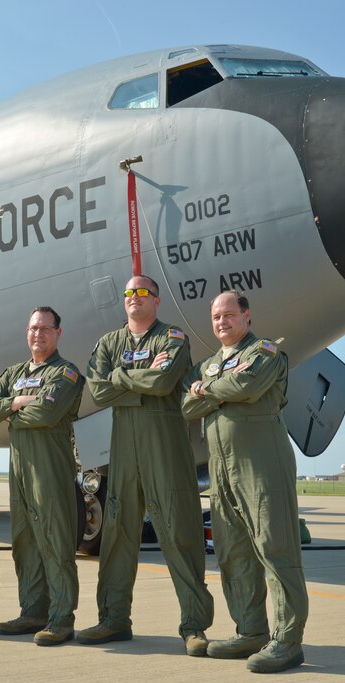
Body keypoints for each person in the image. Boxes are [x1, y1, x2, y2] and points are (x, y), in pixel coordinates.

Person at [80, 275, 214, 656]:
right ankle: (113, 619)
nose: (134, 298)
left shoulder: (172, 339)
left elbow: (162, 381)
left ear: (156, 301)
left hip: (164, 444)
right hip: (122, 448)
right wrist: (136, 377)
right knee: (117, 532)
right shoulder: (109, 342)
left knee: (179, 530)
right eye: (129, 293)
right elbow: (99, 389)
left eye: (142, 293)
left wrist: (119, 377)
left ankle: (193, 625)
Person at [182, 291, 308, 673]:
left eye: (229, 315)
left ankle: (287, 641)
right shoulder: (209, 364)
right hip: (221, 467)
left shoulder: (265, 353)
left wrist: (208, 391)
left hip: (261, 461)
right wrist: (213, 391)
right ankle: (250, 630)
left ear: (247, 317)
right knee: (232, 550)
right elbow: (188, 406)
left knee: (275, 546)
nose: (222, 322)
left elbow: (247, 387)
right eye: (216, 317)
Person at [0, 307, 85, 646]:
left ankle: (61, 617)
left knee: (54, 541)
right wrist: (16, 403)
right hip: (19, 468)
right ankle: (32, 611)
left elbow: (46, 412)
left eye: (46, 329)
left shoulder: (66, 373)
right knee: (24, 542)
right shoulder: (16, 373)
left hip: (49, 468)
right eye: (34, 328)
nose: (38, 334)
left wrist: (10, 410)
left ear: (58, 334)